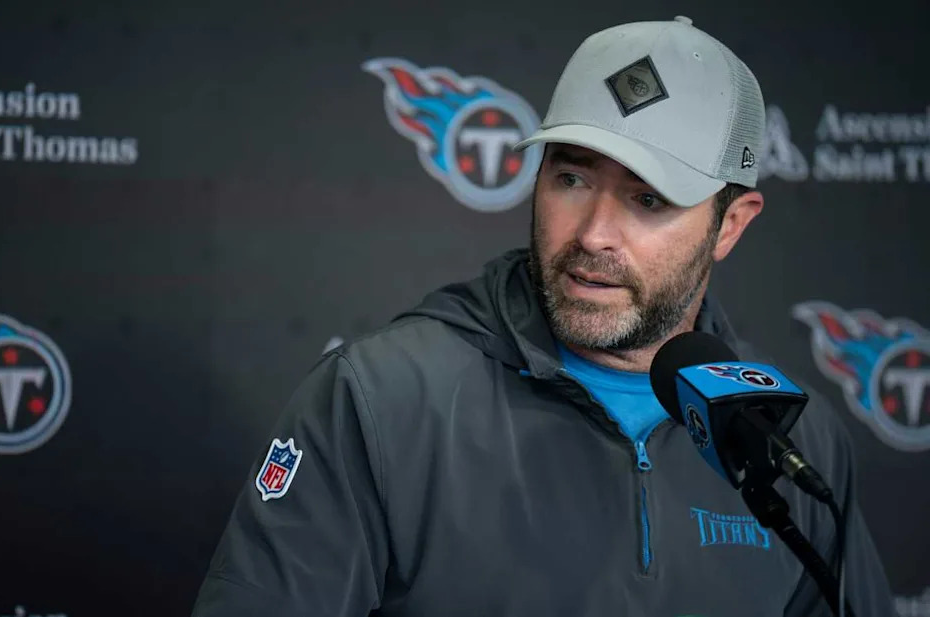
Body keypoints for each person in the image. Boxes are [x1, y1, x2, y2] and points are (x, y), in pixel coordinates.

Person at [192, 16, 894, 617]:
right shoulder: (379, 399)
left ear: (731, 223)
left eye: (647, 199)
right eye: (572, 176)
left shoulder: (796, 444)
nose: (593, 233)